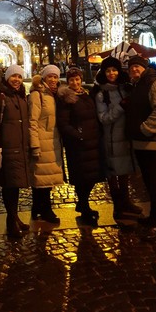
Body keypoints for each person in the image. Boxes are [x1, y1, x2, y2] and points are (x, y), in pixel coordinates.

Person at [93, 57, 143, 221]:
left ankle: (126, 202)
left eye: (114, 70)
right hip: (112, 139)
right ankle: (118, 206)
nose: (111, 73)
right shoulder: (102, 94)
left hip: (126, 137)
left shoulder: (125, 88)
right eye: (108, 71)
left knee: (125, 172)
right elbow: (104, 118)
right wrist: (121, 106)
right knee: (113, 174)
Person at [125, 55, 156, 229]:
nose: (134, 69)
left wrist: (145, 129)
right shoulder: (138, 84)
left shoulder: (153, 82)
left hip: (153, 141)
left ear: (145, 67)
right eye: (131, 67)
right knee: (150, 182)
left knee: (155, 181)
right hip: (143, 142)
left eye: (137, 66)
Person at [0, 64, 31, 237]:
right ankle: (11, 221)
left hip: (20, 148)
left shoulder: (20, 96)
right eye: (14, 76)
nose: (17, 80)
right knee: (9, 186)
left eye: (19, 77)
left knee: (15, 185)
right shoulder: (0, 97)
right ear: (7, 78)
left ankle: (15, 216)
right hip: (7, 148)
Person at [56, 67, 104, 225]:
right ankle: (84, 207)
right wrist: (78, 135)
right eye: (71, 80)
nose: (75, 83)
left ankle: (83, 204)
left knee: (92, 177)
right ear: (67, 81)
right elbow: (63, 123)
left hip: (93, 142)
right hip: (78, 145)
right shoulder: (66, 98)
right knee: (82, 178)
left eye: (77, 79)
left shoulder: (86, 94)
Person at [28, 64, 65, 224]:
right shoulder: (37, 94)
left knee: (45, 177)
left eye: (55, 77)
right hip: (43, 141)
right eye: (50, 76)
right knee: (42, 178)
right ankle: (46, 209)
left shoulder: (56, 94)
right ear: (43, 77)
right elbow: (32, 121)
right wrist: (34, 144)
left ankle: (37, 207)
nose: (53, 79)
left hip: (53, 140)